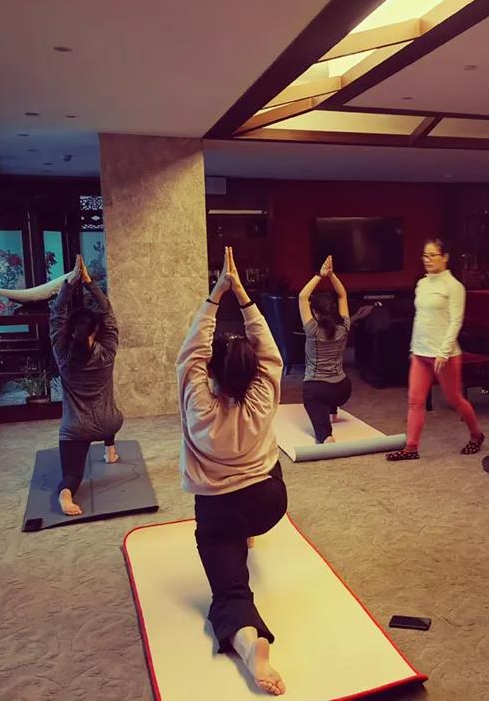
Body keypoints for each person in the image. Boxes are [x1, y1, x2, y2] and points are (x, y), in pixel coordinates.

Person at [177, 246, 287, 696]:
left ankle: (247, 640)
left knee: (230, 591)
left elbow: (190, 355)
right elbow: (269, 351)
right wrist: (242, 295)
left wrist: (215, 295)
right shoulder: (263, 396)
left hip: (220, 512)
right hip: (268, 504)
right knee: (269, 464)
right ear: (253, 372)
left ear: (212, 373)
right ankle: (250, 534)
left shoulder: (199, 406)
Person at [387, 238, 484, 461]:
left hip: (444, 355)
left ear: (445, 257)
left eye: (432, 255)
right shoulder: (422, 284)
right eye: (425, 255)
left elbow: (456, 321)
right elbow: (420, 318)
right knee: (414, 400)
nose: (427, 260)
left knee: (454, 399)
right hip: (420, 353)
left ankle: (476, 435)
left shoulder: (454, 286)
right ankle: (411, 448)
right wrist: (414, 348)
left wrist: (443, 352)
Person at [50, 254, 123, 517]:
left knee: (71, 475)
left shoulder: (63, 355)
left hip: (76, 429)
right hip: (109, 423)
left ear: (71, 333)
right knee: (113, 413)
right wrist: (89, 282)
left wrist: (70, 283)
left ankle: (66, 497)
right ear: (96, 331)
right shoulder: (108, 353)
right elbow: (108, 312)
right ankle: (110, 451)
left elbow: (57, 315)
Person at [298, 255, 351, 444]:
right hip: (343, 390)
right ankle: (332, 411)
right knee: (328, 390)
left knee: (312, 397)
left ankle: (326, 435)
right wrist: (331, 275)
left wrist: (320, 275)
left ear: (315, 312)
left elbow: (302, 296)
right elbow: (342, 295)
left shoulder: (312, 330)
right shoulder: (344, 327)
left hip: (318, 388)